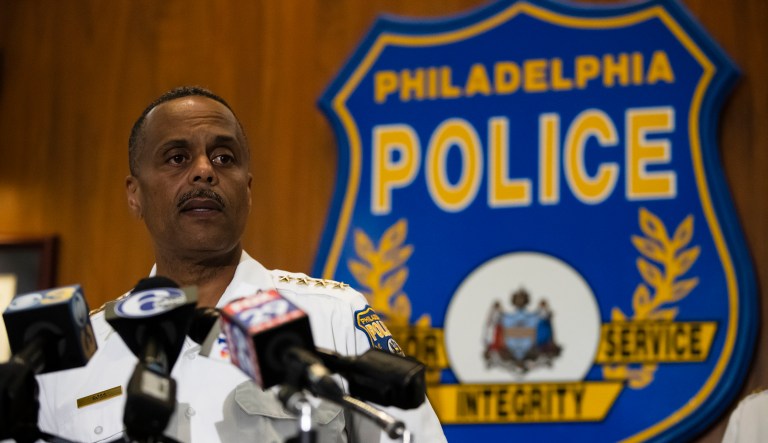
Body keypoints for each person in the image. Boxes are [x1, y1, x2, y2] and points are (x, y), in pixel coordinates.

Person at [35, 86, 447, 442]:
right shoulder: (83, 352)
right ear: (134, 194)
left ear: (247, 191)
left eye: (224, 158)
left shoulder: (333, 317)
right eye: (177, 158)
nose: (203, 171)